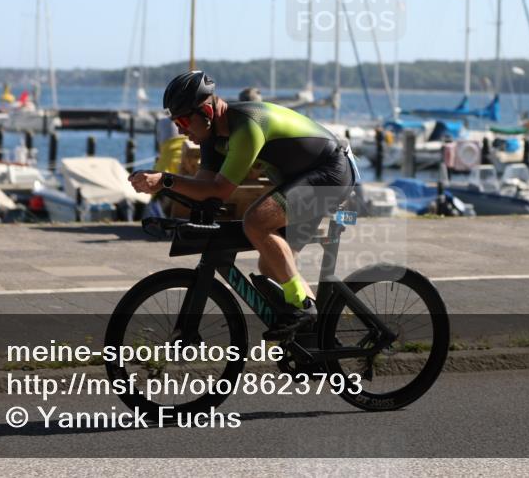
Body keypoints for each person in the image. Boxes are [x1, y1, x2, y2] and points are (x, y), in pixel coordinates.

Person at [129, 70, 358, 339]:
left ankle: (304, 308)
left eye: (182, 120)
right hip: (301, 179)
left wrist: (166, 180)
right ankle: (316, 339)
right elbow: (203, 190)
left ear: (205, 111)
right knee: (272, 267)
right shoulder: (210, 138)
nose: (179, 129)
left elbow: (220, 189)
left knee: (257, 222)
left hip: (331, 172)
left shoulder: (247, 125)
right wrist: (163, 192)